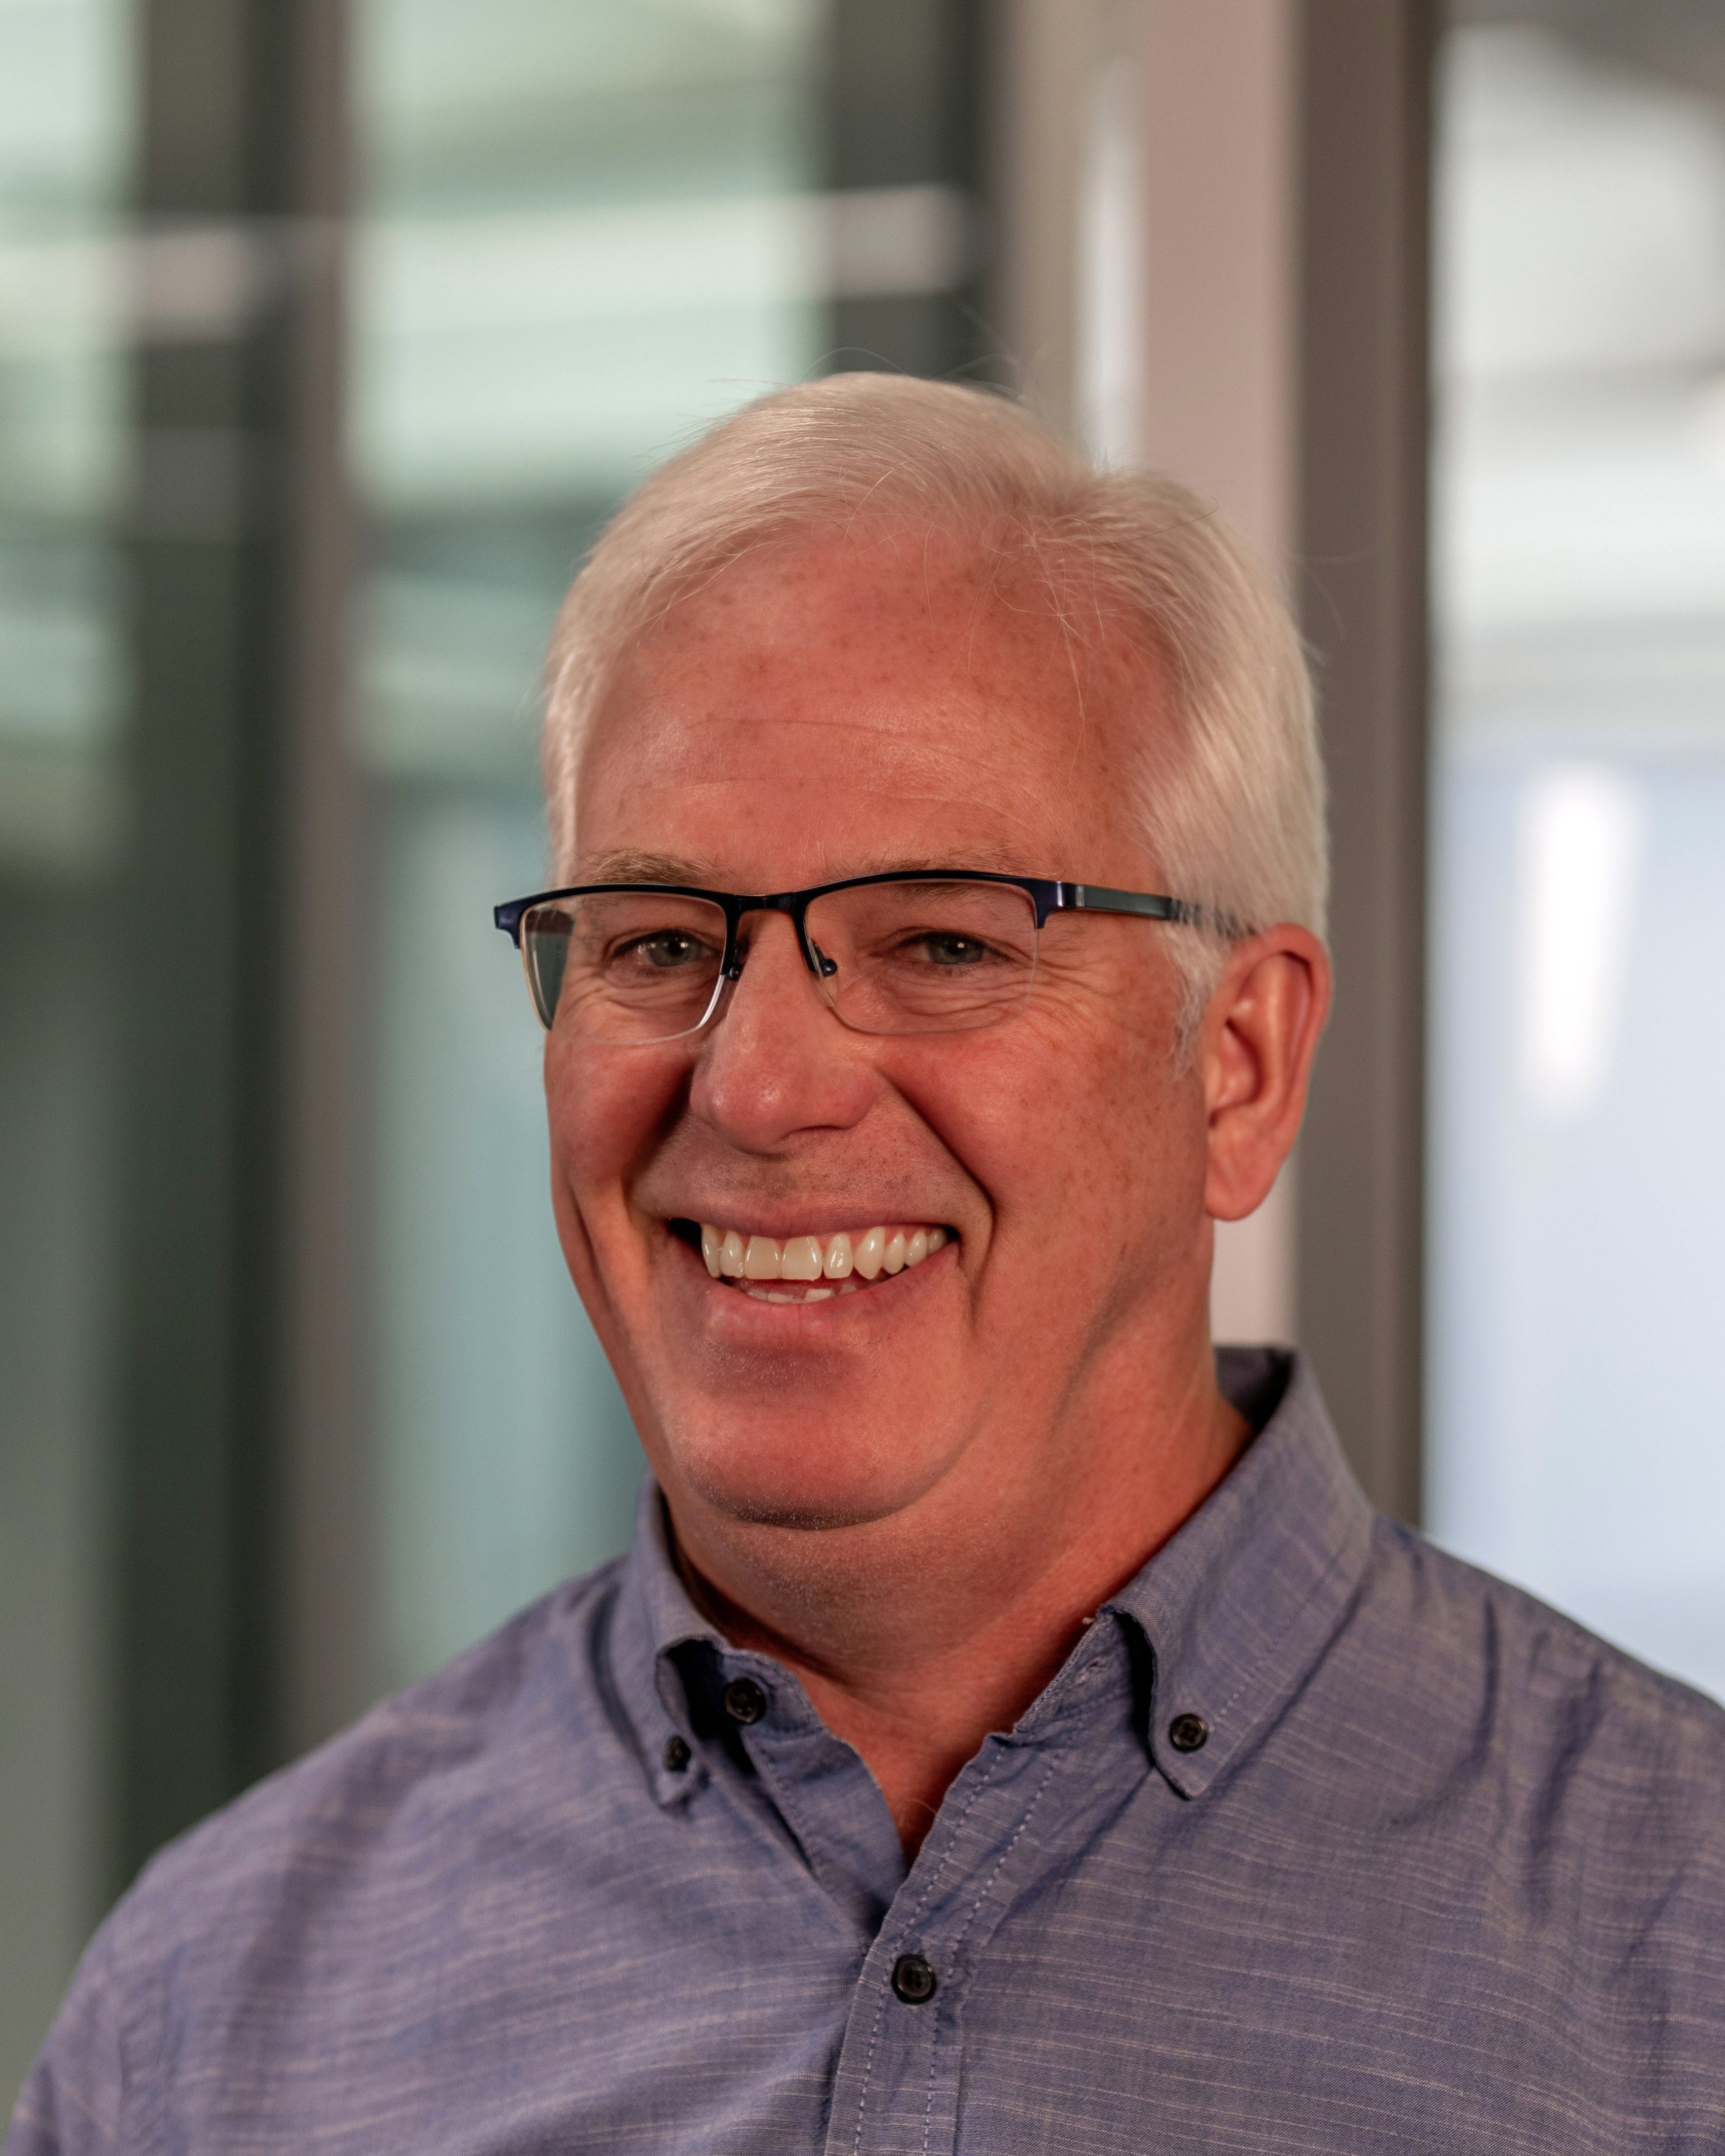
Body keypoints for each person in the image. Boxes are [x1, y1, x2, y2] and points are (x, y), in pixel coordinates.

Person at [10, 375, 1724, 2155]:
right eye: (656, 942)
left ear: (1238, 1065)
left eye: (942, 944)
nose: (758, 1089)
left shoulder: (1683, 1961)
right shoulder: (213, 2021)